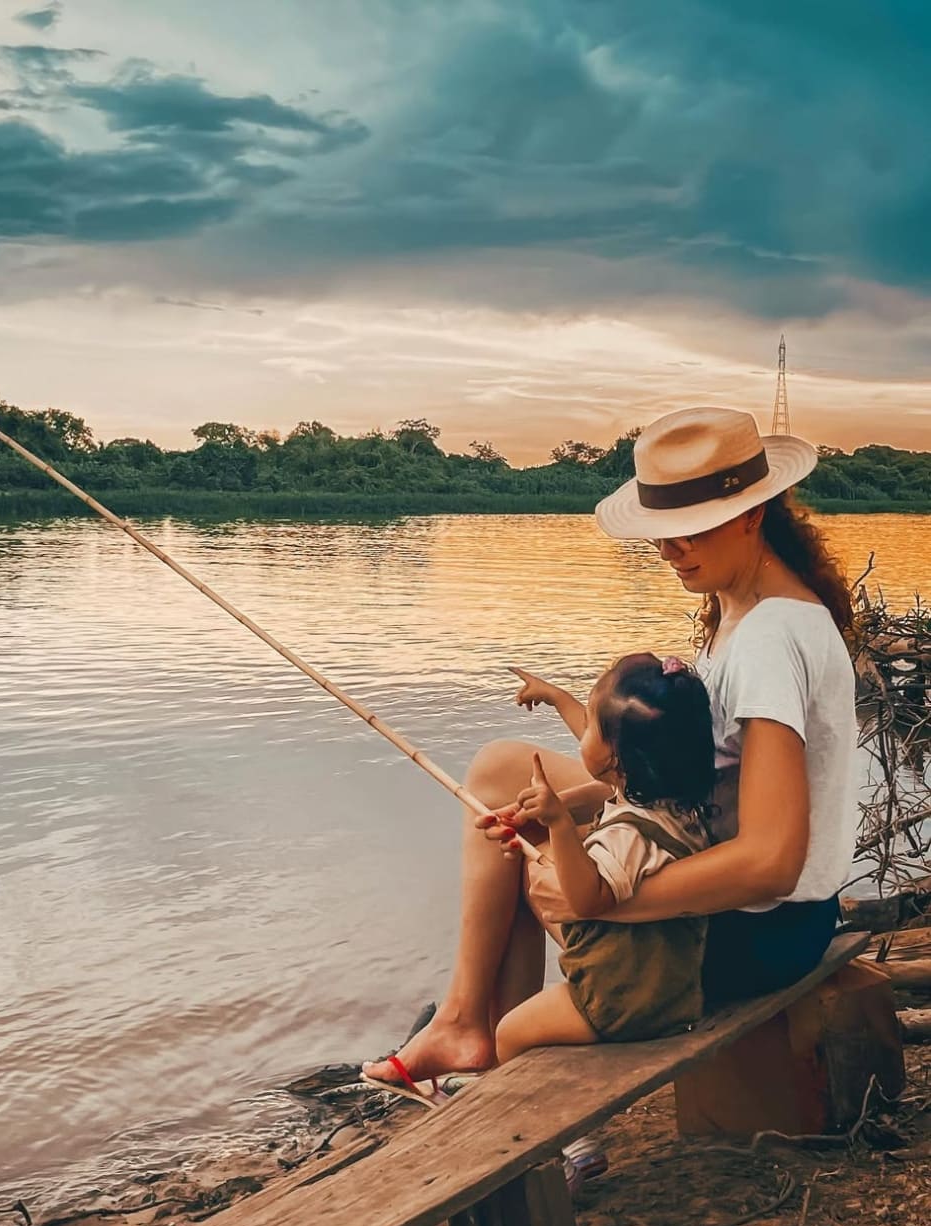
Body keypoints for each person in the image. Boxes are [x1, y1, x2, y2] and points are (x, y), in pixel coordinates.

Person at [363, 406, 856, 1091]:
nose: (668, 549)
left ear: (752, 513)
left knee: (539, 831)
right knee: (507, 776)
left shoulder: (773, 638)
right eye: (660, 532)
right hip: (767, 912)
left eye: (688, 529)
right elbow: (706, 779)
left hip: (757, 935)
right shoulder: (743, 606)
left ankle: (484, 1037)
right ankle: (470, 1022)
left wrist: (600, 899)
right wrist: (572, 804)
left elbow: (772, 861)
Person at [493, 652, 716, 1064]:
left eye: (590, 726)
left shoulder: (627, 834)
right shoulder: (675, 803)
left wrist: (559, 823)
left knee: (509, 1034)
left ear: (618, 757)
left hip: (626, 1000)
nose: (582, 735)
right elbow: (618, 742)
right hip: (668, 984)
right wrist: (557, 697)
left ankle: (513, 1108)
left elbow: (586, 899)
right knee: (539, 858)